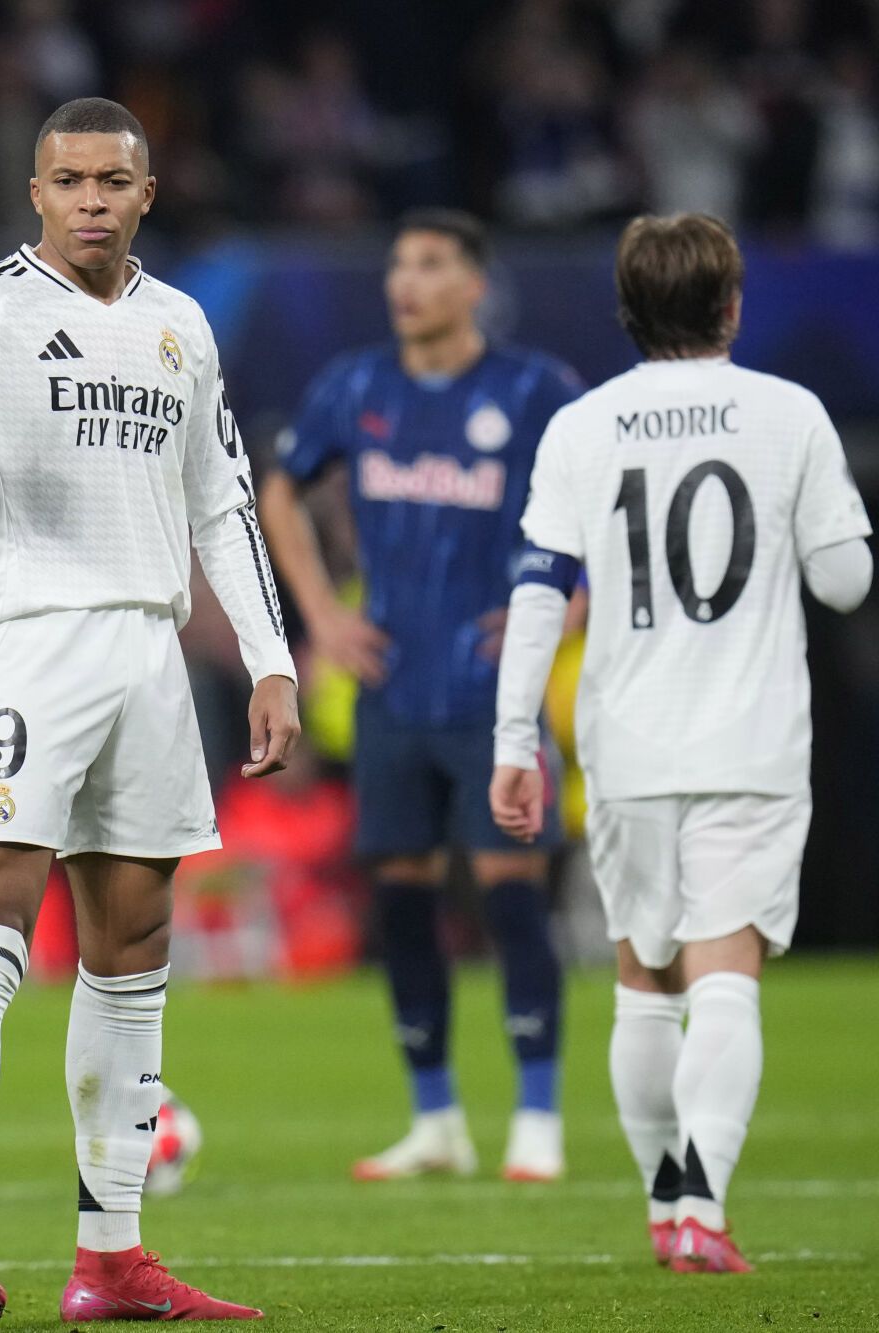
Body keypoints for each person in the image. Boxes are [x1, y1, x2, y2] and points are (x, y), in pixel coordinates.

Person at [0, 96, 298, 1327]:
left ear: (146, 193)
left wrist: (269, 659)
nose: (90, 198)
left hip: (148, 656)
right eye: (68, 180)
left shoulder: (179, 325)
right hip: (23, 649)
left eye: (112, 179)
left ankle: (111, 1258)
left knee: (132, 948)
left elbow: (224, 504)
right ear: (34, 194)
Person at [492, 212, 872, 1273]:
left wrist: (512, 736)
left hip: (625, 740)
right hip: (748, 740)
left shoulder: (582, 425)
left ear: (625, 310)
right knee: (724, 974)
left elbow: (535, 593)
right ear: (730, 306)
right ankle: (701, 1202)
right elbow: (844, 578)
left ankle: (665, 1209)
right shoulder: (787, 414)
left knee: (641, 976)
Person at [256, 210, 584, 1183]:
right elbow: (281, 489)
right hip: (391, 688)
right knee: (399, 902)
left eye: (430, 265)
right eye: (399, 264)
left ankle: (536, 1114)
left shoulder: (533, 390)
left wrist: (565, 612)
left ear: (472, 284)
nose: (406, 281)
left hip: (493, 692)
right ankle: (433, 1117)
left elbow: (603, 507)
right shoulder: (354, 386)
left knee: (507, 896)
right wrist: (318, 613)